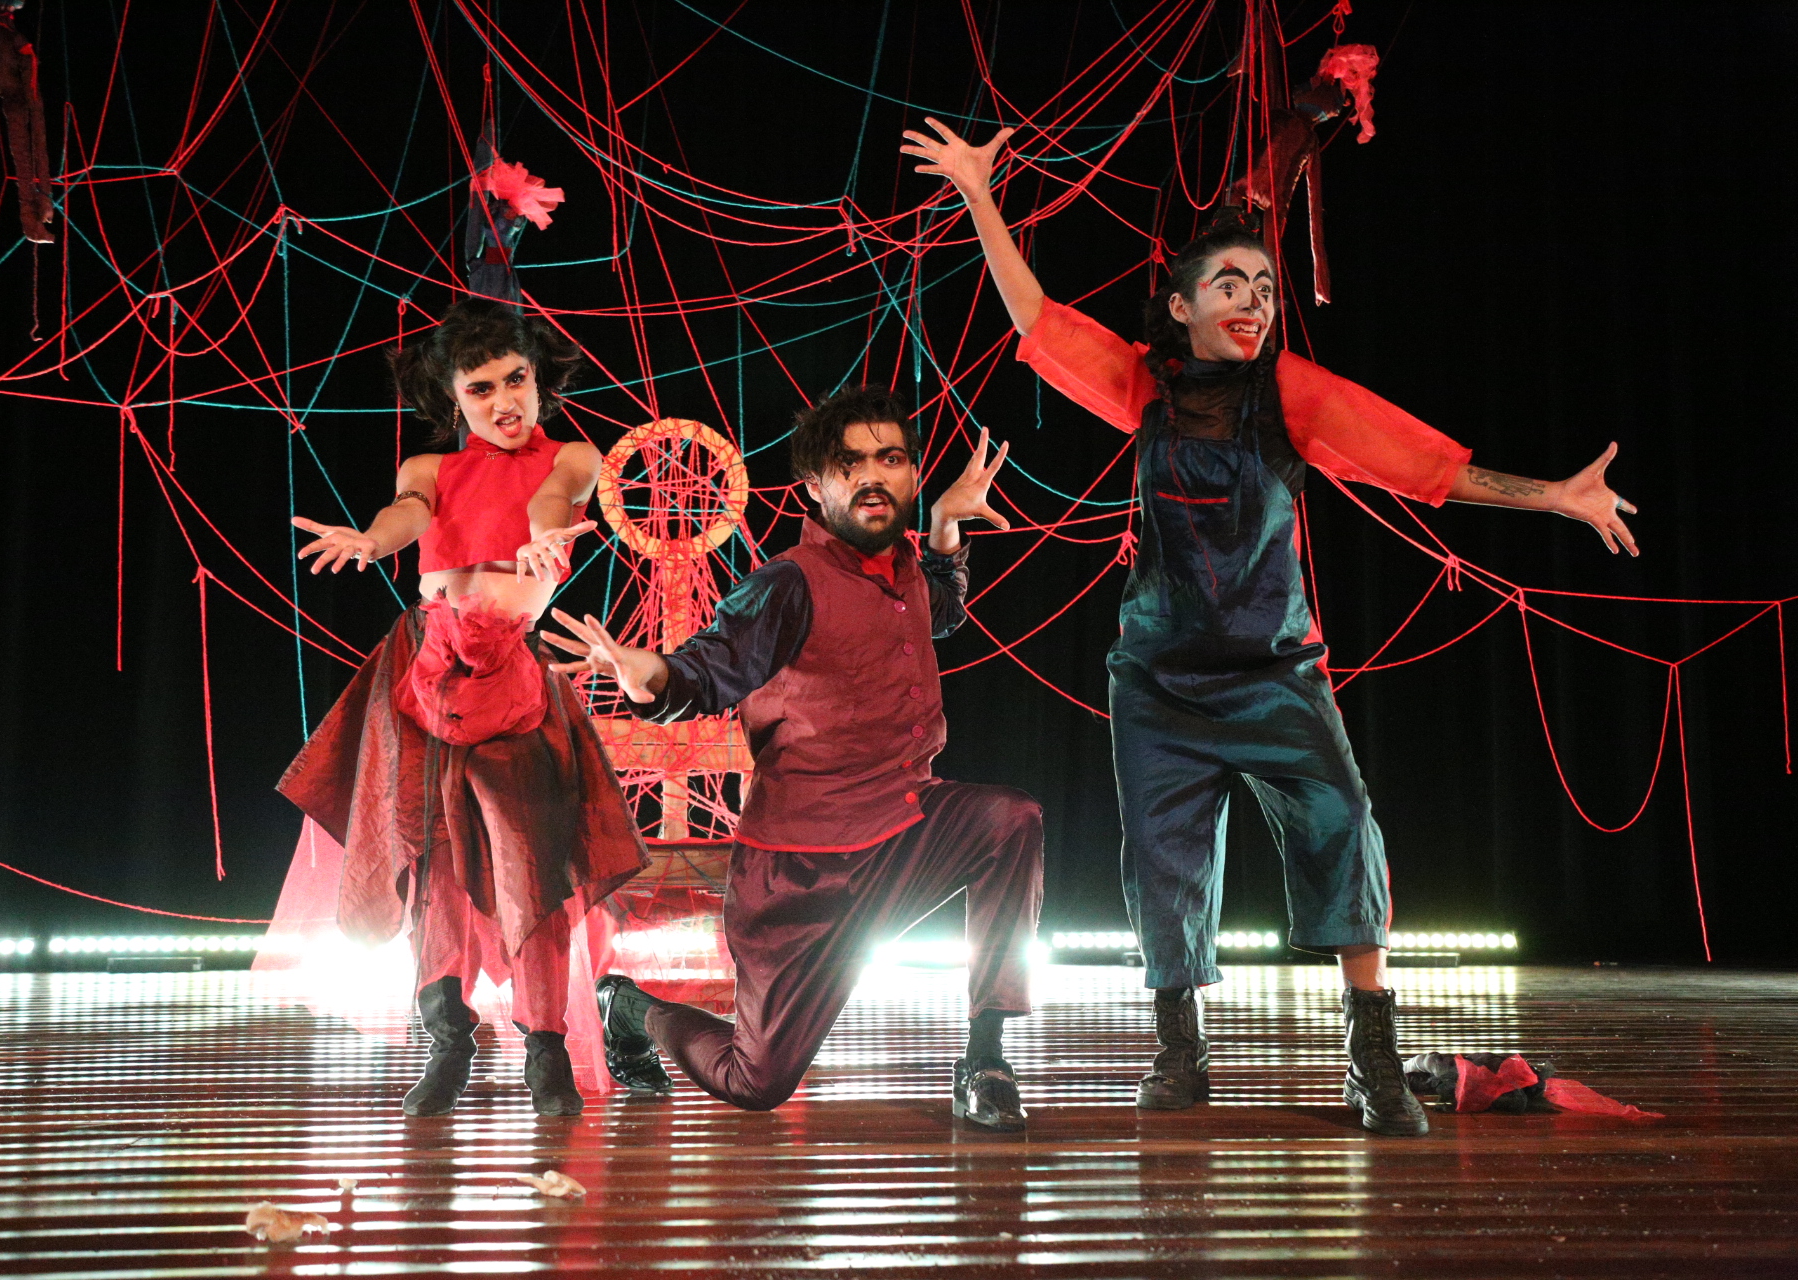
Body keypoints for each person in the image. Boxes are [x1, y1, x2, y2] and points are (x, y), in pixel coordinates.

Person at [902, 120, 1639, 1137]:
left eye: (1262, 286)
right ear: (1181, 306)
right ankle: (1181, 1046)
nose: (1253, 300)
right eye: (1230, 285)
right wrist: (981, 194)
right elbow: (1034, 314)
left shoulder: (1293, 393)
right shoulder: (1142, 385)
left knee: (1345, 822)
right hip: (1158, 678)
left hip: (1276, 671)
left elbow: (1422, 464)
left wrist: (1554, 494)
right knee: (1161, 858)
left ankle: (1370, 1054)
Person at [542, 387, 1045, 1131]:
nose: (872, 476)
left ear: (911, 473)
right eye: (849, 464)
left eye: (890, 459)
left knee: (1011, 820)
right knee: (755, 1082)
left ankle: (986, 1059)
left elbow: (939, 608)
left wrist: (944, 529)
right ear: (814, 487)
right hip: (802, 876)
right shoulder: (787, 584)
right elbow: (707, 668)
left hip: (905, 831)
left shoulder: (904, 565)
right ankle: (629, 1007)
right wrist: (646, 674)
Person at [278, 299, 648, 1118]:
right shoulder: (430, 468)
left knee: (530, 864)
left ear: (538, 379)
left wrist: (542, 536)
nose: (504, 401)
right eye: (481, 389)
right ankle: (448, 1040)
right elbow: (409, 512)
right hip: (424, 673)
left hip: (511, 679)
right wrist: (374, 541)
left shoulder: (573, 455)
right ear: (453, 398)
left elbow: (553, 497)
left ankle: (545, 1048)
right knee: (432, 867)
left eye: (516, 380)